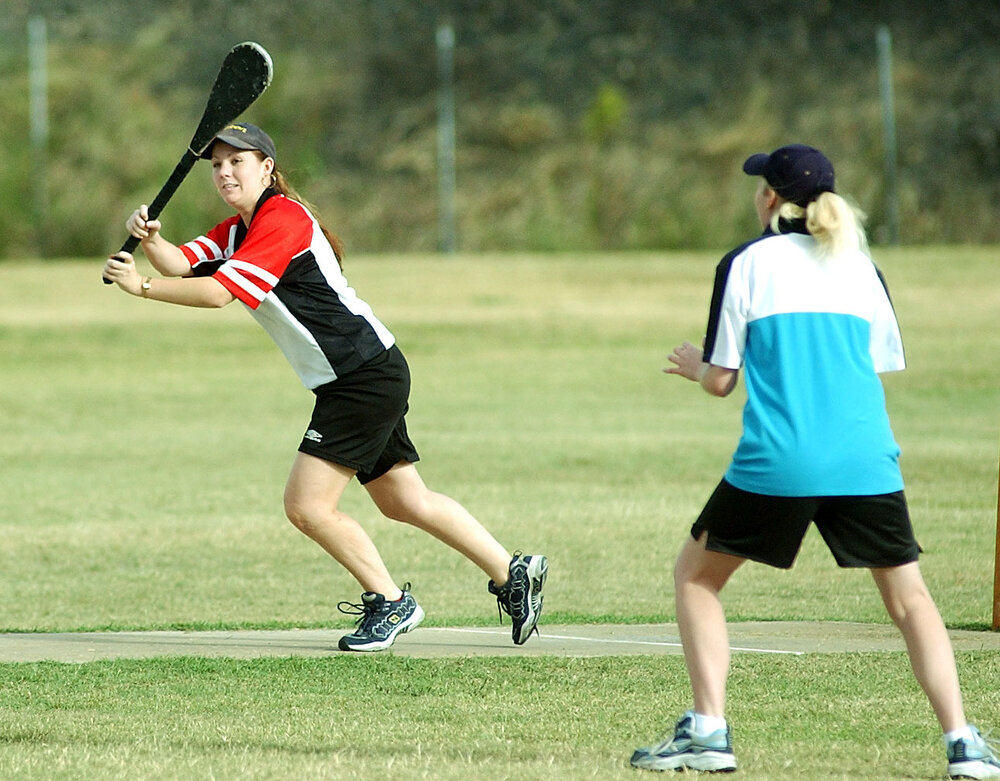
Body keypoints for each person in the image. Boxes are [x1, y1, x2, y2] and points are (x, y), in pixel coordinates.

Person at [102, 122, 548, 652]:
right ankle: (512, 571)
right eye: (217, 165)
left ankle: (390, 602)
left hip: (360, 376)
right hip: (362, 373)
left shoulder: (282, 220)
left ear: (267, 168)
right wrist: (154, 241)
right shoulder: (239, 229)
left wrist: (144, 288)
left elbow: (220, 293)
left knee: (307, 507)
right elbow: (185, 262)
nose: (224, 172)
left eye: (237, 162)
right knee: (403, 499)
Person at [629, 144, 1000, 778]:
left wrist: (698, 366)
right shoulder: (860, 264)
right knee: (911, 599)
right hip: (866, 458)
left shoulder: (745, 262)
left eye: (758, 187)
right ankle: (964, 742)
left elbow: (721, 381)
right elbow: (879, 362)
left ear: (771, 198)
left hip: (782, 459)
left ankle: (710, 732)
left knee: (697, 577)